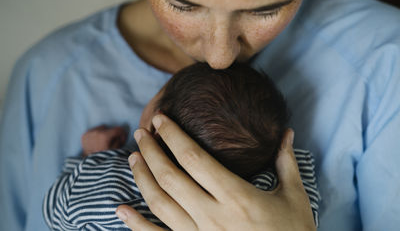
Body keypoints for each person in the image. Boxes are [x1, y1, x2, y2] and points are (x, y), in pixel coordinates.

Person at [0, 0, 399, 230]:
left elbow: (60, 207)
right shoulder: (46, 76)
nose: (220, 55)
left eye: (267, 9)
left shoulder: (386, 60)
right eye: (182, 4)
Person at [42, 62, 320, 230]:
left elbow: (55, 210)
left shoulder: (112, 181)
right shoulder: (273, 192)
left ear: (154, 124)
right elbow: (305, 209)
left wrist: (90, 157)